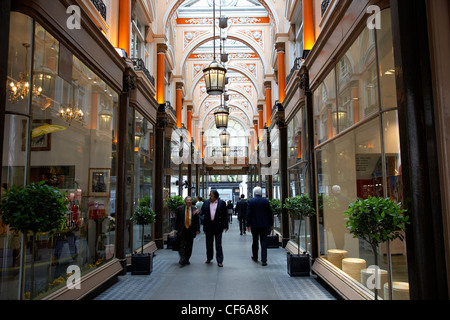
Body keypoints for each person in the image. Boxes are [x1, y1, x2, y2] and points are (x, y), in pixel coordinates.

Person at [246, 187, 273, 266]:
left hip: (254, 225)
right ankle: (264, 260)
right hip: (264, 225)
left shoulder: (250, 201)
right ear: (261, 193)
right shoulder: (266, 201)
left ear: (254, 193)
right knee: (264, 241)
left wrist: (248, 224)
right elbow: (269, 213)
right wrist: (271, 224)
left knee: (255, 240)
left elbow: (249, 214)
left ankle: (255, 257)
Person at [201, 190, 228, 267]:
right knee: (209, 243)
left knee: (218, 244)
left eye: (211, 196)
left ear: (216, 197)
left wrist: (226, 225)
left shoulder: (222, 203)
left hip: (218, 226)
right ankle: (209, 258)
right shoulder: (206, 203)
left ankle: (220, 260)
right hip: (208, 225)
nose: (209, 197)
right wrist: (197, 212)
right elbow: (202, 211)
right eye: (209, 195)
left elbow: (224, 215)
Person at [175, 196, 200, 267]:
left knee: (189, 245)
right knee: (181, 245)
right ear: (185, 201)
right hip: (182, 229)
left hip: (190, 229)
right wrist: (176, 229)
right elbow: (177, 220)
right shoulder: (180, 209)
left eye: (190, 200)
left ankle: (187, 258)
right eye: (188, 200)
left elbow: (197, 221)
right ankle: (182, 258)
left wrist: (197, 229)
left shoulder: (194, 209)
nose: (189, 201)